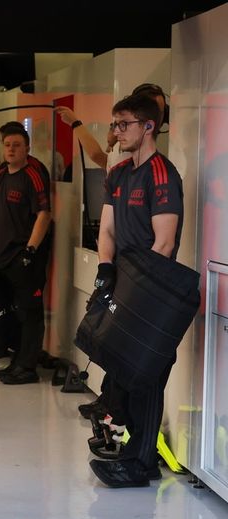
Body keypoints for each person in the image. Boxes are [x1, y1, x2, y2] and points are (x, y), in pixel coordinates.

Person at [87, 93, 184, 488]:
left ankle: (140, 463)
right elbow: (107, 230)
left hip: (153, 291)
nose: (116, 131)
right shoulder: (119, 173)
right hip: (123, 283)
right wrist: (105, 270)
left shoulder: (162, 174)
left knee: (146, 376)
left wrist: (138, 294)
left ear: (148, 126)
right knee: (119, 371)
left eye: (123, 124)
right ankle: (133, 451)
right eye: (114, 124)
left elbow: (165, 242)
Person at [0, 125, 52, 384]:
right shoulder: (1, 174)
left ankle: (28, 367)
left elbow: (44, 214)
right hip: (3, 255)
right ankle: (18, 360)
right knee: (14, 312)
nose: (11, 149)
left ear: (27, 148)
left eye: (17, 145)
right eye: (7, 145)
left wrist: (30, 250)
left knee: (30, 312)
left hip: (25, 256)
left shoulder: (33, 174)